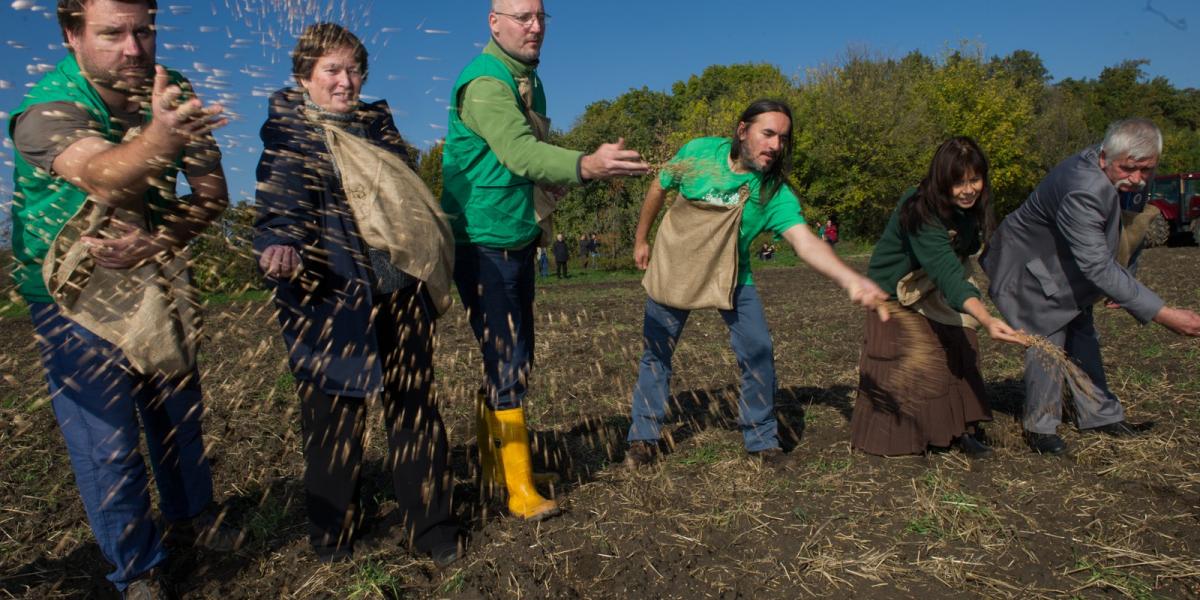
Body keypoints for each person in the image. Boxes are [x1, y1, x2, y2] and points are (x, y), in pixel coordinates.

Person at [8, 0, 235, 596]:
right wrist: (161, 134)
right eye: (111, 34)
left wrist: (158, 240)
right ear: (71, 34)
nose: (133, 50)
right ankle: (139, 571)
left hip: (154, 278)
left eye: (144, 31)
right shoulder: (45, 110)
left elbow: (212, 194)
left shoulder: (172, 89)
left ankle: (194, 520)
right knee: (108, 447)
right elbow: (104, 175)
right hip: (72, 300)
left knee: (177, 420)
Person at [253, 23, 460, 564]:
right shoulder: (290, 136)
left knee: (415, 408)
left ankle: (432, 526)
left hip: (400, 292)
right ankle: (333, 536)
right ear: (304, 77)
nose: (345, 82)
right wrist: (280, 245)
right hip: (331, 298)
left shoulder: (378, 129)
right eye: (332, 71)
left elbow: (405, 200)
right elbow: (280, 207)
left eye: (353, 70)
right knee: (334, 421)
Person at [441, 0, 649, 520]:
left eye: (540, 17)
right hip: (483, 242)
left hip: (515, 235)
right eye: (521, 17)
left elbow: (528, 163)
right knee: (508, 357)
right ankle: (518, 490)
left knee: (512, 356)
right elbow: (518, 152)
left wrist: (563, 179)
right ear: (494, 23)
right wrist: (585, 164)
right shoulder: (487, 83)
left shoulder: (529, 80)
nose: (535, 27)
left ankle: (499, 467)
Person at [624, 99, 889, 467]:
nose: (775, 146)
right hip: (676, 266)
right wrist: (641, 239)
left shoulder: (772, 192)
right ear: (742, 129)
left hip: (732, 274)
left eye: (783, 138)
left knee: (758, 351)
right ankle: (643, 438)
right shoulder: (698, 153)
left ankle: (762, 440)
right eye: (768, 134)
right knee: (657, 353)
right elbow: (659, 186)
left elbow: (804, 241)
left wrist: (849, 278)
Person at [980, 118, 1200, 455]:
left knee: (1082, 331)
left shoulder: (1121, 175)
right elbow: (1096, 265)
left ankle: (1099, 414)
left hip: (1063, 263)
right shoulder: (1083, 187)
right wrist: (1164, 314)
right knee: (1047, 337)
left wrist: (1126, 279)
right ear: (1104, 158)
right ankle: (1041, 428)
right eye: (1130, 169)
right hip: (1029, 266)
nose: (1138, 179)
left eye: (1147, 170)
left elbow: (1129, 229)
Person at [850, 137, 1025, 458]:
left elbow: (965, 255)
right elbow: (948, 274)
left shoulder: (972, 208)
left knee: (961, 342)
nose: (968, 189)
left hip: (933, 282)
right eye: (958, 182)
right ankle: (909, 437)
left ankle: (963, 429)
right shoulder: (920, 209)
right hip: (894, 289)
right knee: (910, 357)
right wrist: (986, 319)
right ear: (941, 181)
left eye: (974, 179)